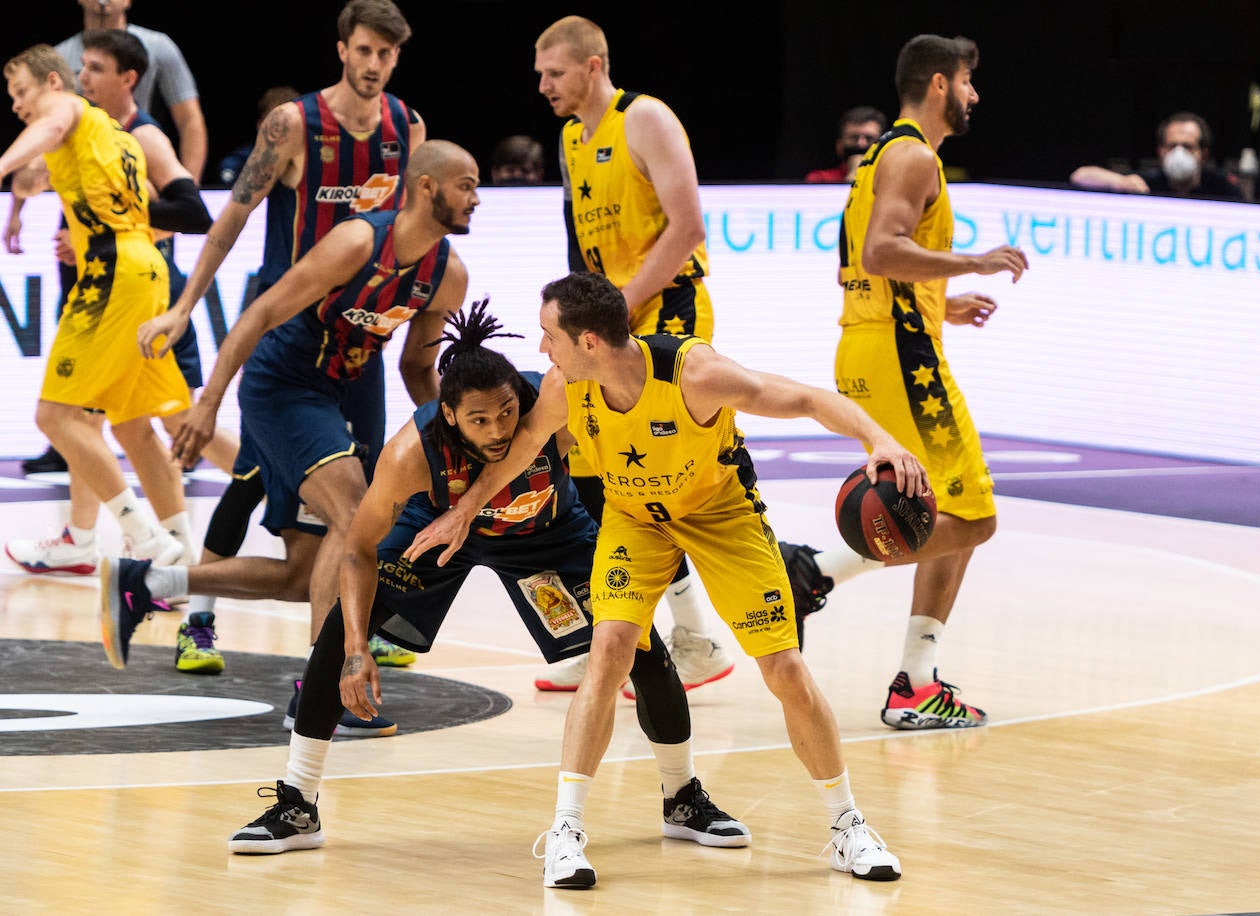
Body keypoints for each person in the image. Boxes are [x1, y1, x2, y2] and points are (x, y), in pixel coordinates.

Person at [104, 301, 748, 856]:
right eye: (479, 421)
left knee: (641, 647)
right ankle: (297, 804)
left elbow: (633, 464)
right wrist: (358, 649)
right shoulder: (413, 455)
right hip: (435, 537)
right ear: (449, 417)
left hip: (548, 539)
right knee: (335, 640)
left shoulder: (554, 408)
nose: (497, 431)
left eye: (504, 414)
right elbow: (355, 550)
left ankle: (682, 798)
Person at [407, 271, 918, 887]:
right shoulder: (566, 387)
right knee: (608, 652)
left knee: (782, 667)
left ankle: (847, 826)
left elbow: (804, 398)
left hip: (721, 515)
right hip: (634, 520)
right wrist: (464, 510)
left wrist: (881, 440)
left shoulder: (695, 375)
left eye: (550, 336)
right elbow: (523, 451)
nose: (544, 350)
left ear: (589, 342)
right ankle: (567, 831)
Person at [100, 140, 476, 736]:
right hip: (286, 382)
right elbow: (260, 313)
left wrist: (455, 440)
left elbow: (414, 369)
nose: (476, 198)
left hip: (353, 388)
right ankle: (324, 690)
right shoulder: (357, 241)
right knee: (355, 518)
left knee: (307, 575)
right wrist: (208, 404)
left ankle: (148, 582)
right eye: (466, 185)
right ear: (426, 187)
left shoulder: (447, 274)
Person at [135, 0, 426, 683]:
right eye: (364, 51)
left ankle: (168, 592)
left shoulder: (407, 129)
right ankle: (253, 640)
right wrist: (184, 307)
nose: (374, 65)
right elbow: (228, 223)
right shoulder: (293, 126)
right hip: (286, 345)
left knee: (339, 529)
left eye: (386, 54)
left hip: (359, 354)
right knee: (266, 492)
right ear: (341, 49)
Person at [786, 34, 1029, 732]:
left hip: (879, 342)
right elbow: (882, 251)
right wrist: (974, 263)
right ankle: (814, 572)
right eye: (967, 83)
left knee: (949, 513)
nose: (975, 96)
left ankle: (916, 682)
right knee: (975, 516)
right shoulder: (913, 155)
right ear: (938, 84)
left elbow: (867, 270)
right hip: (902, 360)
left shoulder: (878, 159)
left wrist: (938, 302)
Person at [531, 14, 735, 696]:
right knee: (599, 475)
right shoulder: (568, 138)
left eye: (553, 72)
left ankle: (699, 635)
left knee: (672, 479)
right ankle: (661, 637)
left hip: (663, 315)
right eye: (540, 73)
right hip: (604, 328)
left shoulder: (645, 118)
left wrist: (614, 310)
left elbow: (688, 227)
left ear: (593, 66)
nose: (543, 85)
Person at [4, 30, 231, 593]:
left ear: (50, 81)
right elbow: (39, 172)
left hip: (113, 275)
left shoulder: (66, 109)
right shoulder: (113, 132)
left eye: (19, 91)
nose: (17, 104)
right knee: (134, 425)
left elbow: (50, 127)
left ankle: (145, 539)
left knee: (57, 418)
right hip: (142, 271)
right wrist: (17, 200)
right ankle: (177, 560)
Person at [54, 0, 208, 182]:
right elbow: (49, 126)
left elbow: (189, 119)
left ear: (129, 78)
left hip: (141, 163)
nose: (84, 77)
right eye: (84, 66)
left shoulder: (158, 47)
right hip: (82, 171)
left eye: (95, 68)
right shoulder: (59, 58)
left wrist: (190, 185)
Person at [1069, 111, 1242, 198]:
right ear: (1161, 151)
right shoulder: (1147, 183)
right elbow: (1080, 176)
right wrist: (1120, 182)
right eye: (1172, 146)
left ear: (1203, 154)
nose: (1179, 153)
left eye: (1187, 147)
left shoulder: (1222, 188)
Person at [215, 84, 301, 188]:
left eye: (289, 124)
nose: (284, 132)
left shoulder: (315, 164)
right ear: (260, 125)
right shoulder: (236, 164)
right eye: (276, 123)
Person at [804, 105, 886, 183]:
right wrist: (853, 176)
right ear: (839, 146)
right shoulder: (820, 179)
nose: (861, 144)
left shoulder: (888, 180)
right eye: (854, 138)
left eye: (869, 138)